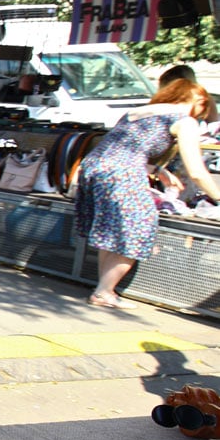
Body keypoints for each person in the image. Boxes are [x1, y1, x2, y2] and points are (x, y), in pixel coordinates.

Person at [75, 79, 220, 310]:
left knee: (111, 230)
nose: (201, 118)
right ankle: (104, 292)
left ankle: (104, 288)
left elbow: (122, 150)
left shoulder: (138, 112)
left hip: (93, 167)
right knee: (139, 227)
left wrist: (157, 170)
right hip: (121, 173)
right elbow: (196, 170)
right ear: (199, 101)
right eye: (204, 113)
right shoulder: (185, 121)